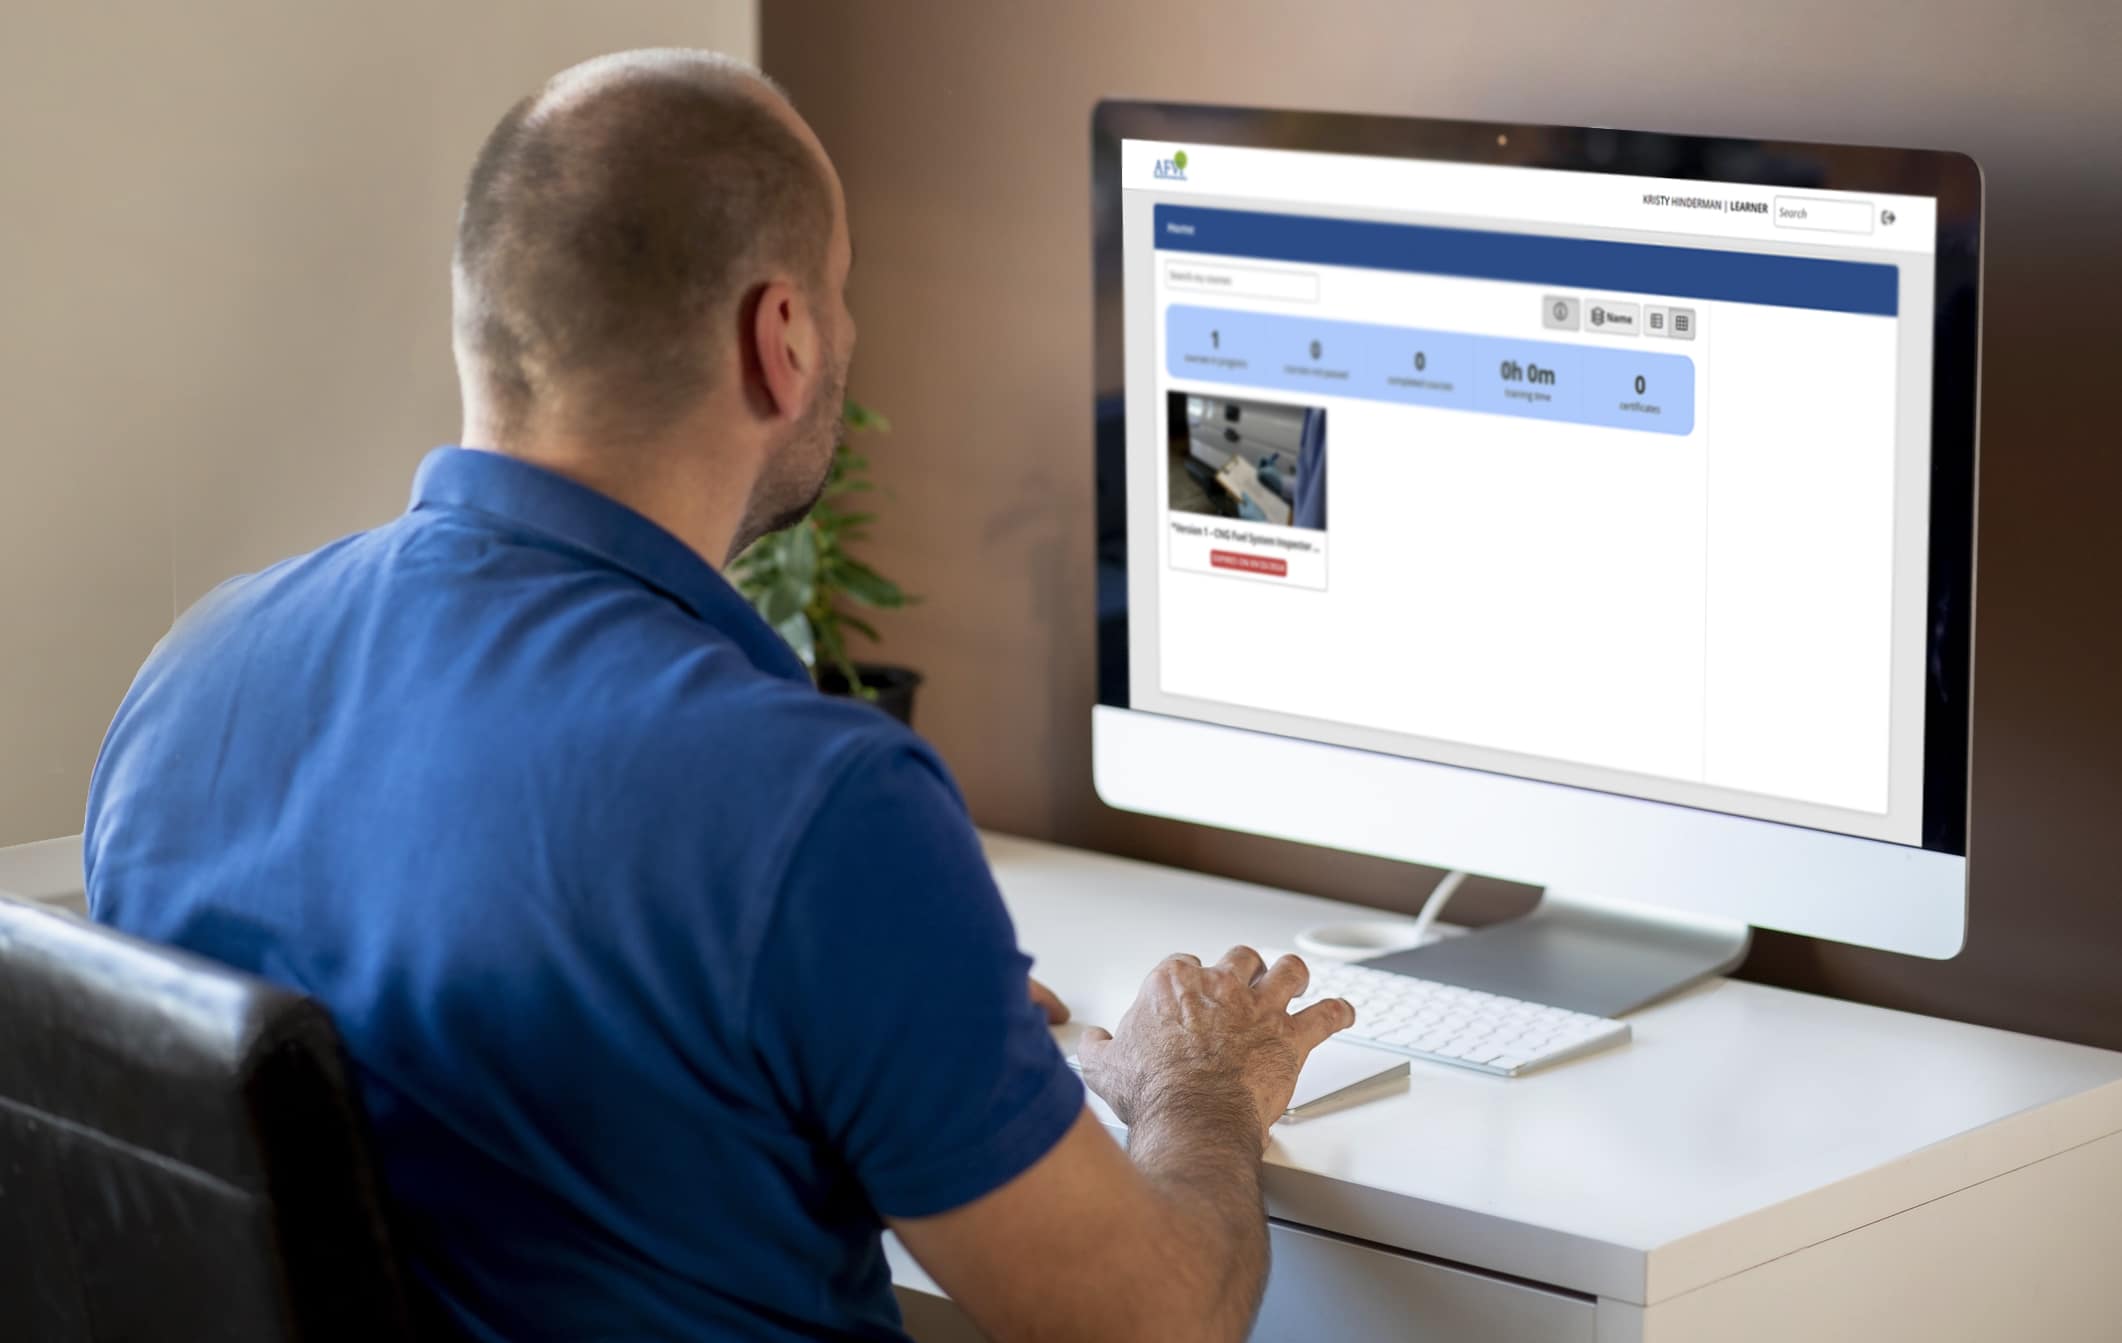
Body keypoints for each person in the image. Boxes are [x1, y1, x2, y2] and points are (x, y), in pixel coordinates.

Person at [83, 50, 1354, 1343]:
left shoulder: (197, 671)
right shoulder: (813, 806)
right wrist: (1195, 1085)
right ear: (781, 337)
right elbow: (1145, 1322)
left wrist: (896, 1010)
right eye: (841, 297)